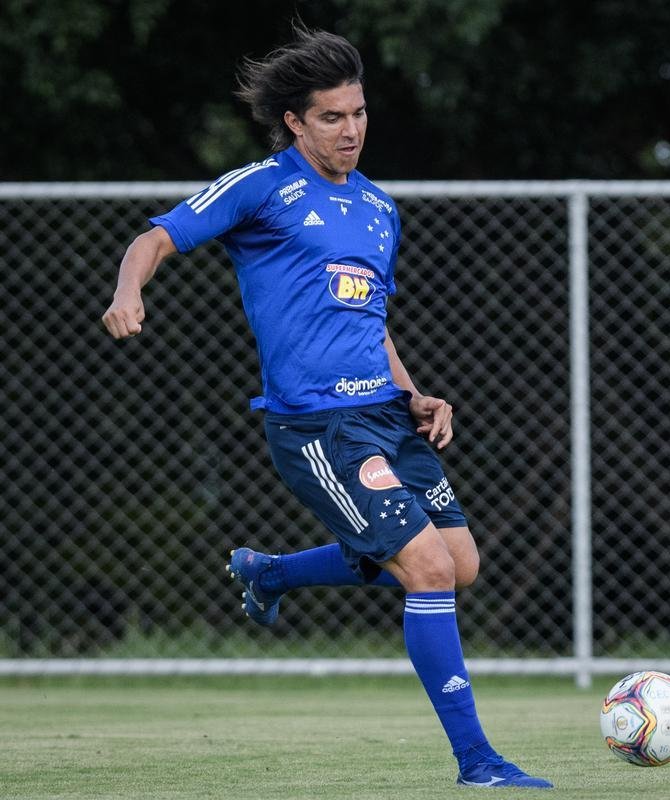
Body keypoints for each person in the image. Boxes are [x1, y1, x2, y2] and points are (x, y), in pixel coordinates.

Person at [102, 23, 553, 790]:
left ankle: (272, 574)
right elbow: (155, 239)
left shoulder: (379, 207)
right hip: (316, 426)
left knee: (462, 563)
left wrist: (415, 394)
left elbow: (370, 325)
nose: (352, 130)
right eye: (333, 118)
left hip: (383, 412)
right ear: (295, 123)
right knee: (429, 569)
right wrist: (127, 291)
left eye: (360, 113)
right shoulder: (261, 187)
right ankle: (478, 763)